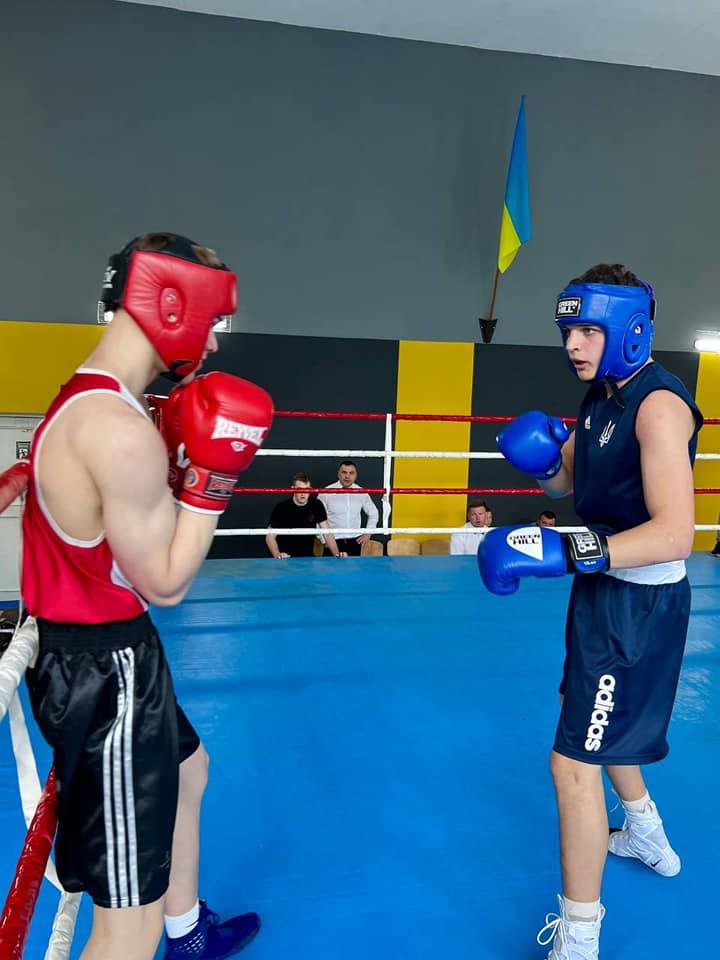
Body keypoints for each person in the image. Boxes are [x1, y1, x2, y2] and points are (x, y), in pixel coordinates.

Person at [21, 232, 274, 960]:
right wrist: (214, 478)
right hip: (105, 675)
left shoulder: (90, 400)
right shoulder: (119, 431)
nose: (216, 346)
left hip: (110, 655)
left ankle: (186, 928)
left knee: (189, 770)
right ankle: (158, 932)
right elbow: (166, 580)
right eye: (215, 322)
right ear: (170, 304)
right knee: (122, 924)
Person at [477, 264, 702, 960]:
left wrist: (567, 551)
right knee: (582, 709)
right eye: (567, 329)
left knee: (571, 762)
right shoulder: (601, 398)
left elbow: (676, 533)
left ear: (631, 328)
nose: (572, 344)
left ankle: (579, 937)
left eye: (587, 329)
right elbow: (570, 479)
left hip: (641, 602)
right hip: (605, 592)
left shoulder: (658, 406)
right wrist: (543, 465)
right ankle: (644, 831)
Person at [266, 473, 347, 558]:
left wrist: (337, 554)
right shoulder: (281, 507)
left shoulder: (316, 505)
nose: (303, 493)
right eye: (299, 489)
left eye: (307, 489)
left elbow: (327, 533)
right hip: (285, 556)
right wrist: (277, 554)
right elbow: (270, 536)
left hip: (307, 558)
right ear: (292, 489)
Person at [317, 460, 379, 556]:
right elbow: (318, 517)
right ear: (338, 474)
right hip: (333, 541)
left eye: (351, 473)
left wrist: (368, 534)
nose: (347, 476)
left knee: (353, 571)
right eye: (344, 472)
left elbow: (374, 512)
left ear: (356, 475)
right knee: (330, 571)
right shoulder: (326, 492)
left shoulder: (361, 492)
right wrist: (324, 540)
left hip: (355, 542)